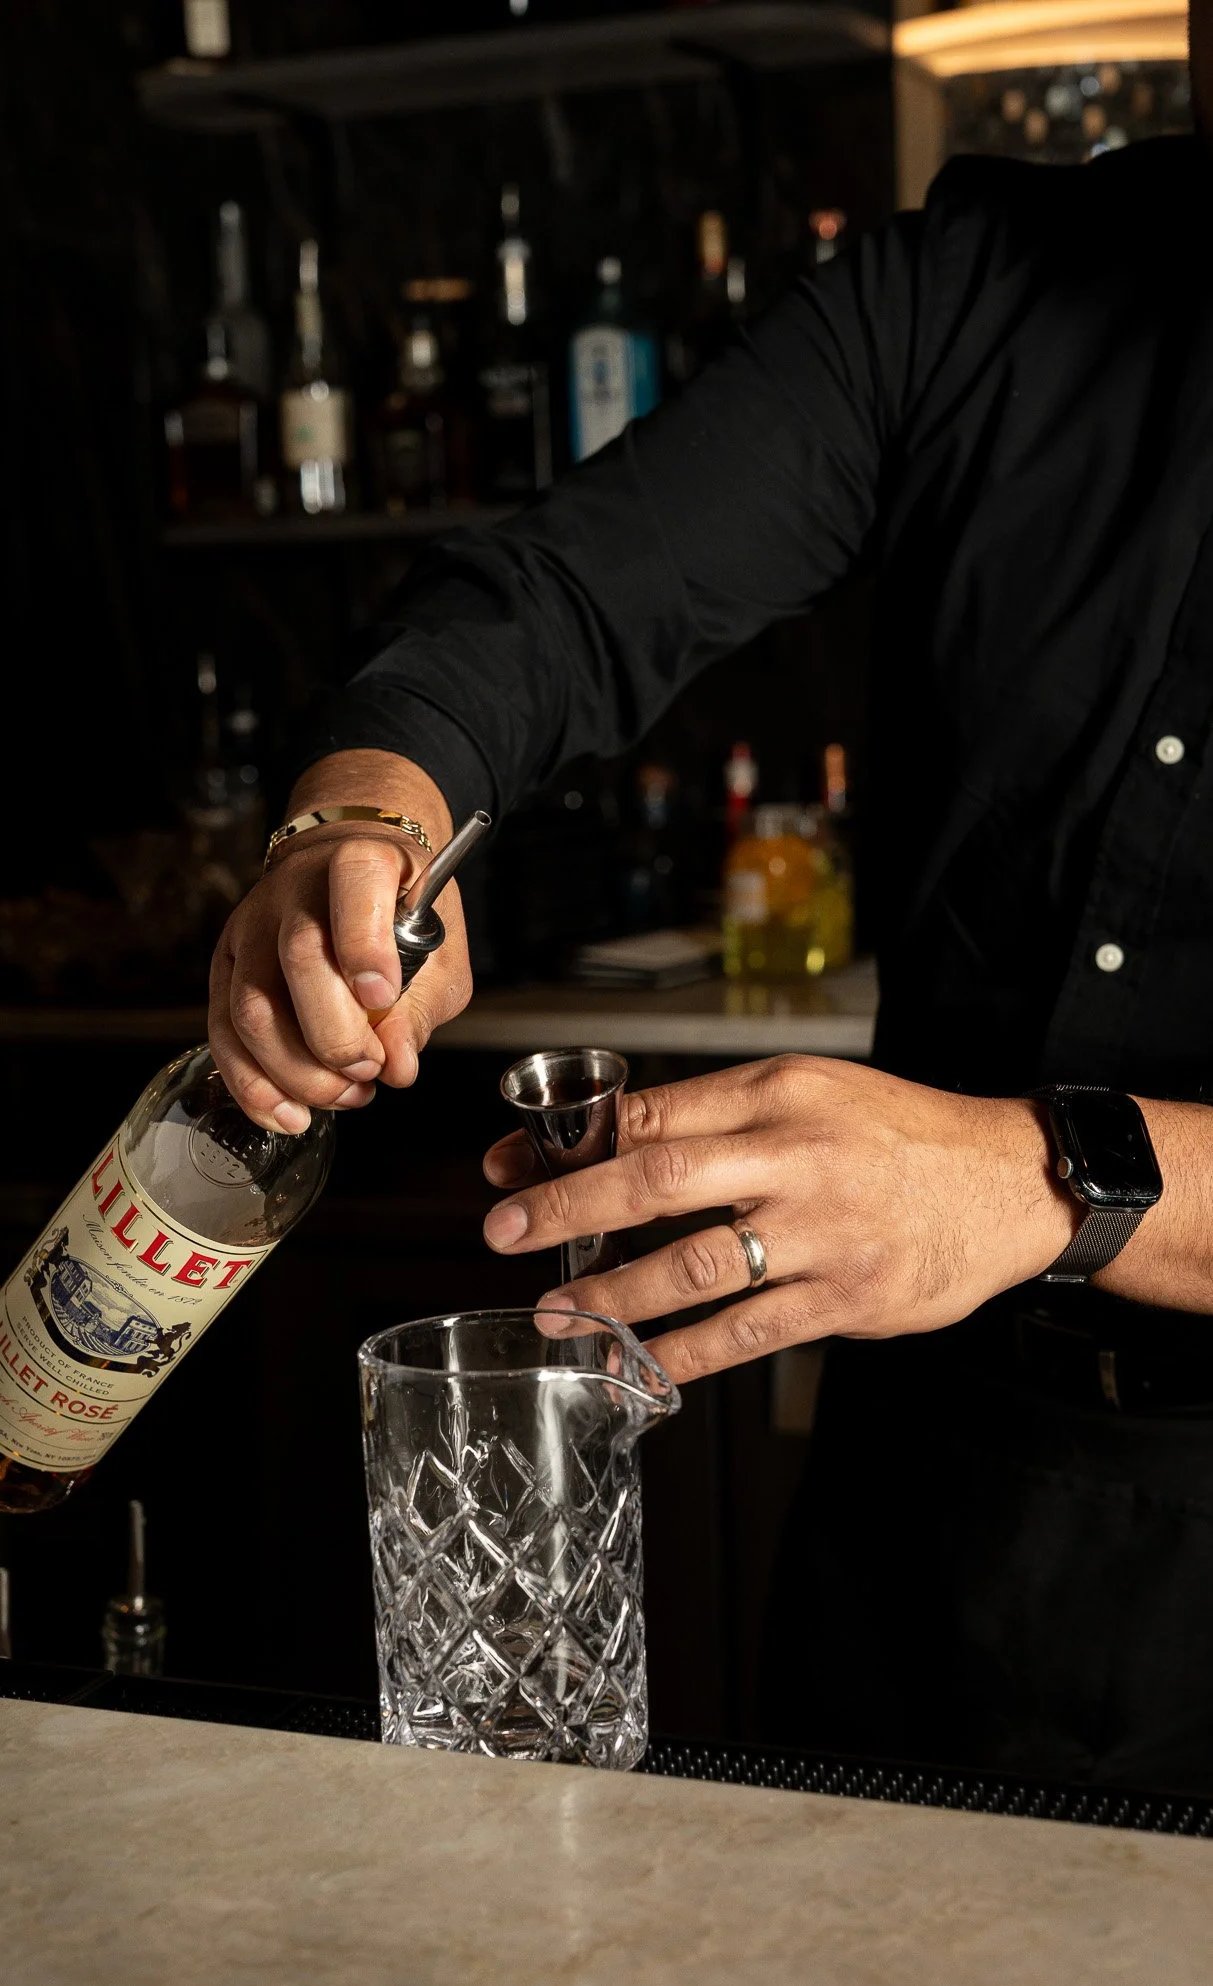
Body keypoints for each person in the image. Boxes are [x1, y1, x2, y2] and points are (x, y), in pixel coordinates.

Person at [208, 64, 1213, 1788]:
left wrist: (1037, 1178)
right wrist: (370, 813)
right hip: (924, 1528)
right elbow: (566, 594)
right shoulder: (977, 285)